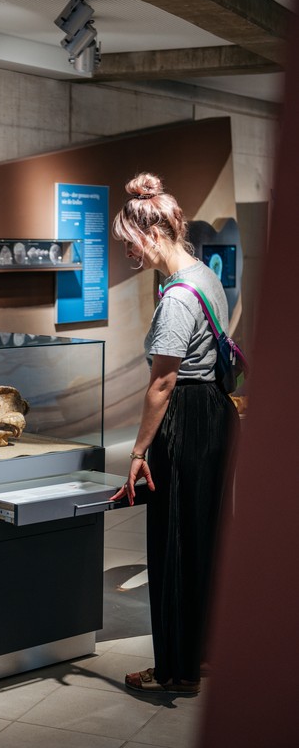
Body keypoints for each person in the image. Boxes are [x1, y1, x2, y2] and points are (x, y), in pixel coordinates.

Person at [109, 171, 239, 695]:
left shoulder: (177, 298)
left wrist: (139, 450)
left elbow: (162, 383)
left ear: (153, 234)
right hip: (213, 412)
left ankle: (172, 670)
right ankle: (203, 654)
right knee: (205, 540)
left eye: (130, 242)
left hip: (184, 419)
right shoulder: (204, 276)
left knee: (173, 546)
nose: (129, 252)